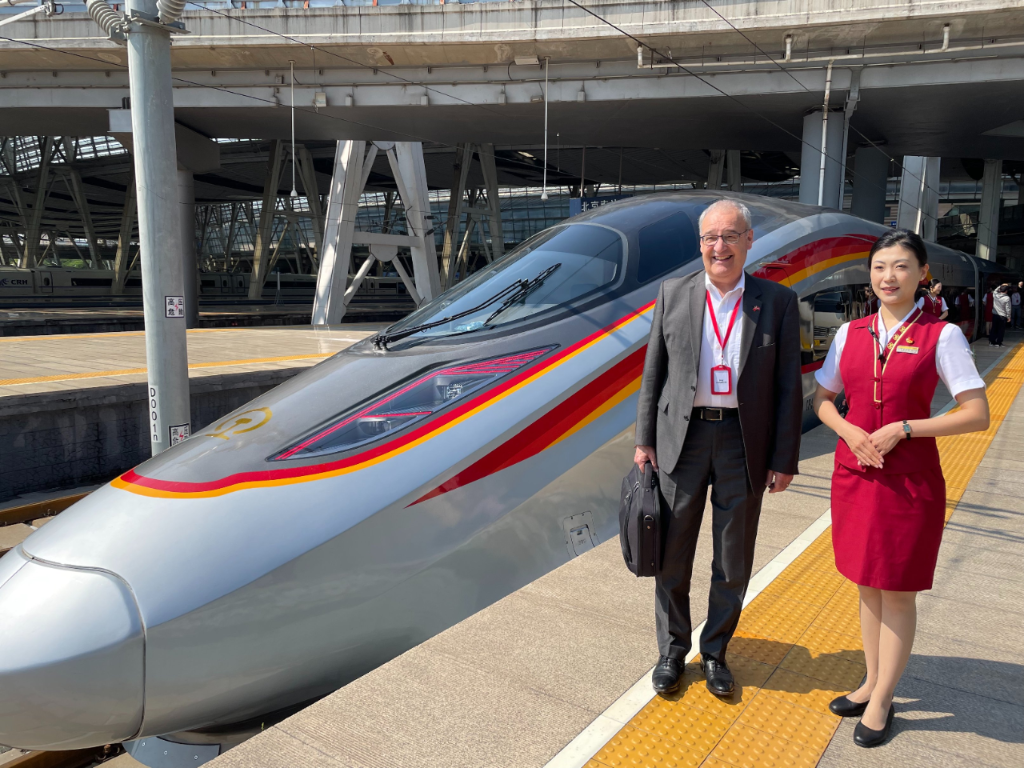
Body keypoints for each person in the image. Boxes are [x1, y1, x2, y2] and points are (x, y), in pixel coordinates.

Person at [813, 229, 989, 748]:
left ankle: (884, 698)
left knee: (898, 592)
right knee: (867, 584)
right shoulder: (850, 332)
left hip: (909, 483)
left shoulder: (944, 336)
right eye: (880, 267)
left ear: (921, 274)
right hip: (854, 476)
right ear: (869, 275)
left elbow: (976, 414)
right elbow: (824, 399)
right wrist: (847, 429)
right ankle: (870, 681)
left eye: (901, 267)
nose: (889, 277)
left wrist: (906, 428)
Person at [634, 199, 803, 698]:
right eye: (710, 237)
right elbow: (653, 375)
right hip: (679, 441)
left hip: (741, 443)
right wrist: (644, 439)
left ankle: (714, 652)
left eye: (730, 236)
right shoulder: (673, 294)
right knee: (671, 553)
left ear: (749, 240)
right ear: (700, 244)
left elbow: (789, 388)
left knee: (732, 556)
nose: (719, 247)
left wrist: (784, 457)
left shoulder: (777, 302)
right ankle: (671, 651)